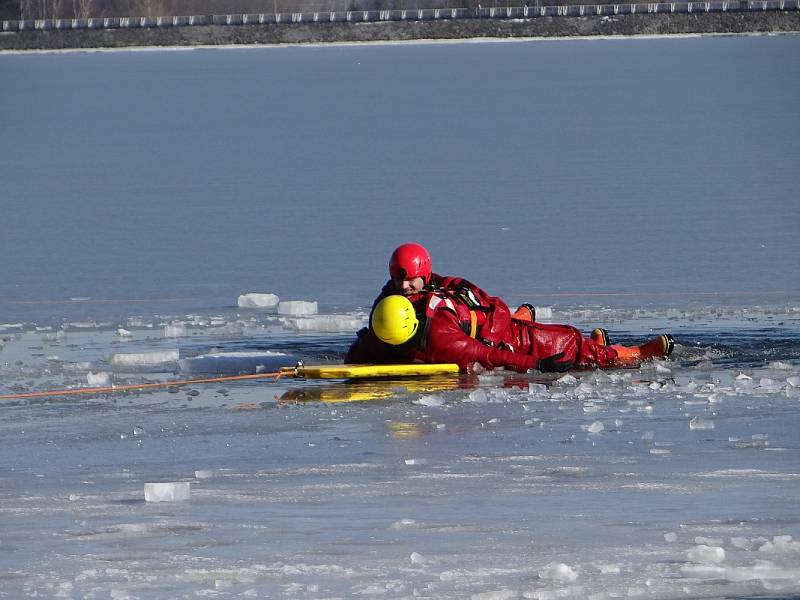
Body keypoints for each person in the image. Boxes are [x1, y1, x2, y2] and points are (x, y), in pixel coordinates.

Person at [346, 292, 674, 373]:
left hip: (508, 337)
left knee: (575, 348)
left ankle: (635, 353)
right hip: (495, 326)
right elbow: (362, 349)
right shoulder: (385, 319)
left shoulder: (442, 340)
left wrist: (538, 366)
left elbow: (491, 356)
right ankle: (597, 342)